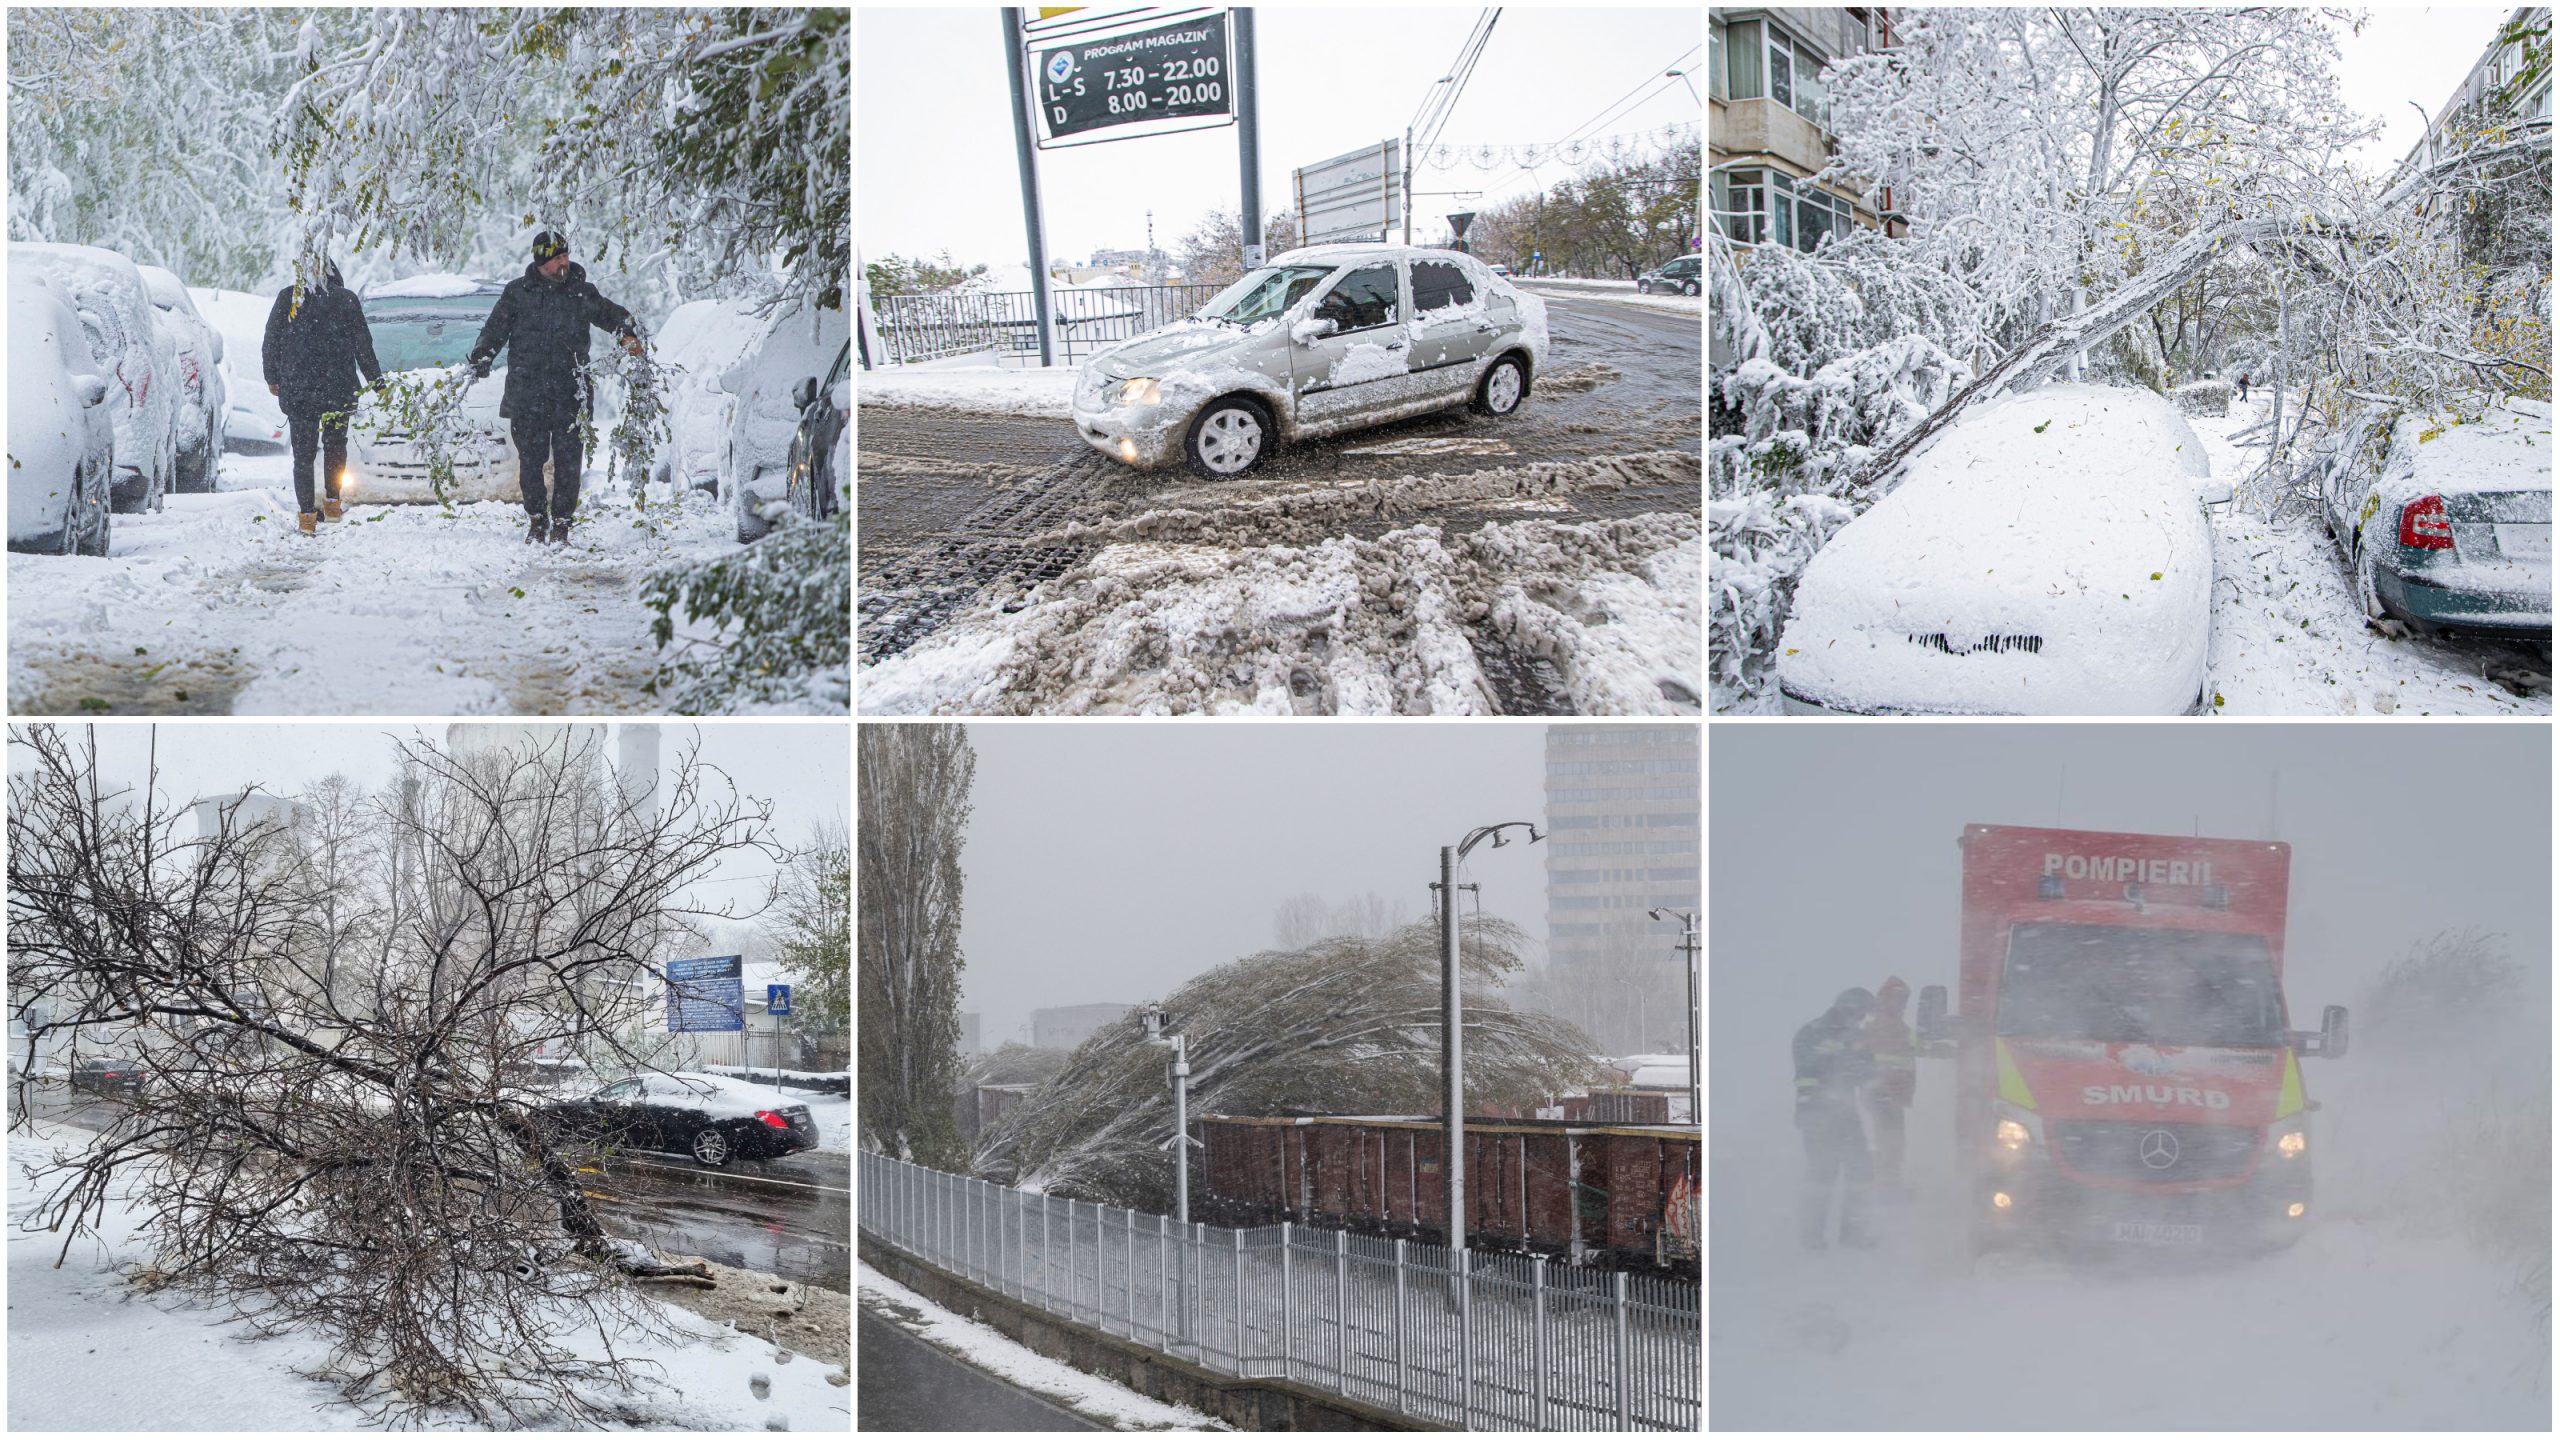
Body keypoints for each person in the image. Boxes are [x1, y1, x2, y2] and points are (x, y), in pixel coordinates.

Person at [467, 229, 643, 545]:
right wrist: (482, 356)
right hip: (526, 393)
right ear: (541, 262)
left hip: (569, 395)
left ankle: (562, 524)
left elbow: (610, 315)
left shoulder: (581, 292)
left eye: (565, 255)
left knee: (568, 464)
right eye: (556, 258)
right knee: (530, 463)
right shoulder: (517, 293)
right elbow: (495, 331)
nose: (563, 262)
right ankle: (537, 521)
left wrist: (628, 332)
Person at [261, 257, 382, 535]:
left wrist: (273, 378)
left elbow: (271, 340)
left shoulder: (288, 299)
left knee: (302, 456)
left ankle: (306, 515)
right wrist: (377, 381)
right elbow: (363, 344)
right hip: (337, 390)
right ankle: (332, 502)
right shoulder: (346, 300)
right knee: (335, 446)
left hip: (300, 390)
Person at [1795, 987, 1877, 1250]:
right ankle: (1813, 1239)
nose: (1863, 1019)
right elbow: (1810, 1074)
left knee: (1860, 1173)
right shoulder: (1814, 1033)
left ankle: (1852, 1235)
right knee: (1822, 1178)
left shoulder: (1842, 1034)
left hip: (1842, 1116)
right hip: (1819, 1117)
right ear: (1851, 1009)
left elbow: (1868, 1071)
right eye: (1862, 1013)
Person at [1862, 977, 1919, 1195]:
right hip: (1883, 1092)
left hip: (1887, 1093)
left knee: (1890, 1139)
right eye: (1899, 998)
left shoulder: (1887, 1023)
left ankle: (1887, 1183)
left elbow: (1917, 1044)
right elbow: (1916, 1045)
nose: (1902, 1004)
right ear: (1887, 998)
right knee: (1890, 1140)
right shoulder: (1883, 1023)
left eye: (1904, 999)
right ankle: (1887, 1186)